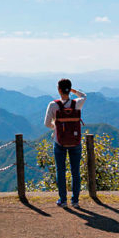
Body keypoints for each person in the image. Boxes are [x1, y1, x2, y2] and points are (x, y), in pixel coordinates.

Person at [44, 78, 87, 208]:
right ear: (69, 89)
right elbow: (84, 95)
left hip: (59, 142)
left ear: (59, 90)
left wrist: (56, 127)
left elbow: (46, 124)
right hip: (75, 142)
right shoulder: (77, 103)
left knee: (61, 171)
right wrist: (74, 91)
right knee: (75, 172)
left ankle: (63, 200)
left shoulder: (53, 105)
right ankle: (75, 201)